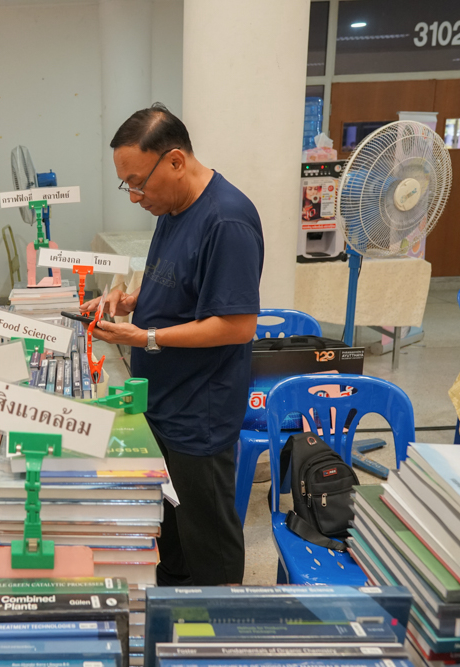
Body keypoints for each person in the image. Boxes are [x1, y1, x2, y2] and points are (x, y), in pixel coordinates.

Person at [83, 103, 264, 586]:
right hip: (162, 401)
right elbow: (176, 280)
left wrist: (146, 337)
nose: (134, 196)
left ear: (176, 161)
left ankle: (218, 623)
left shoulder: (227, 221)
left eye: (138, 182)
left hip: (199, 409)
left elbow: (236, 325)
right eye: (126, 185)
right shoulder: (171, 206)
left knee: (208, 538)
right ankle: (174, 612)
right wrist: (131, 300)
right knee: (172, 534)